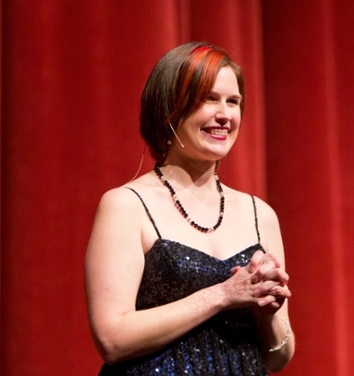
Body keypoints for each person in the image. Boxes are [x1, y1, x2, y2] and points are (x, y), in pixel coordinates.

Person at [85, 41, 294, 375]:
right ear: (169, 108)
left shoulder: (260, 215)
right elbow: (112, 339)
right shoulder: (126, 206)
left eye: (233, 102)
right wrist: (222, 295)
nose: (225, 115)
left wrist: (266, 315)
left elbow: (278, 357)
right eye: (209, 99)